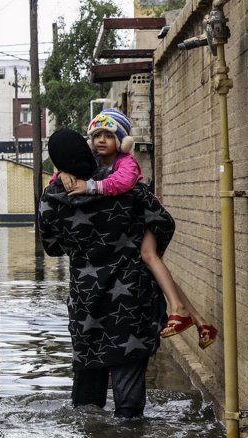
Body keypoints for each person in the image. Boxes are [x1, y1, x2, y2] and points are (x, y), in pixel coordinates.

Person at [38, 127, 175, 417]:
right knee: (129, 397)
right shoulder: (124, 187)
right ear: (87, 150)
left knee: (87, 399)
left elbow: (51, 246)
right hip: (131, 297)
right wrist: (143, 248)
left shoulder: (52, 198)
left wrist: (81, 246)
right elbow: (164, 222)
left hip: (86, 300)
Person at [58, 109, 218, 350]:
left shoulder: (126, 162)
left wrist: (91, 187)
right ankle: (200, 321)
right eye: (97, 135)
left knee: (148, 256)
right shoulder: (94, 164)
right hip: (135, 221)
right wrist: (63, 173)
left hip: (149, 218)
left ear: (121, 141)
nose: (102, 140)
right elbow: (61, 183)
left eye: (109, 135)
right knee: (156, 270)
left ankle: (179, 309)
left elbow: (122, 183)